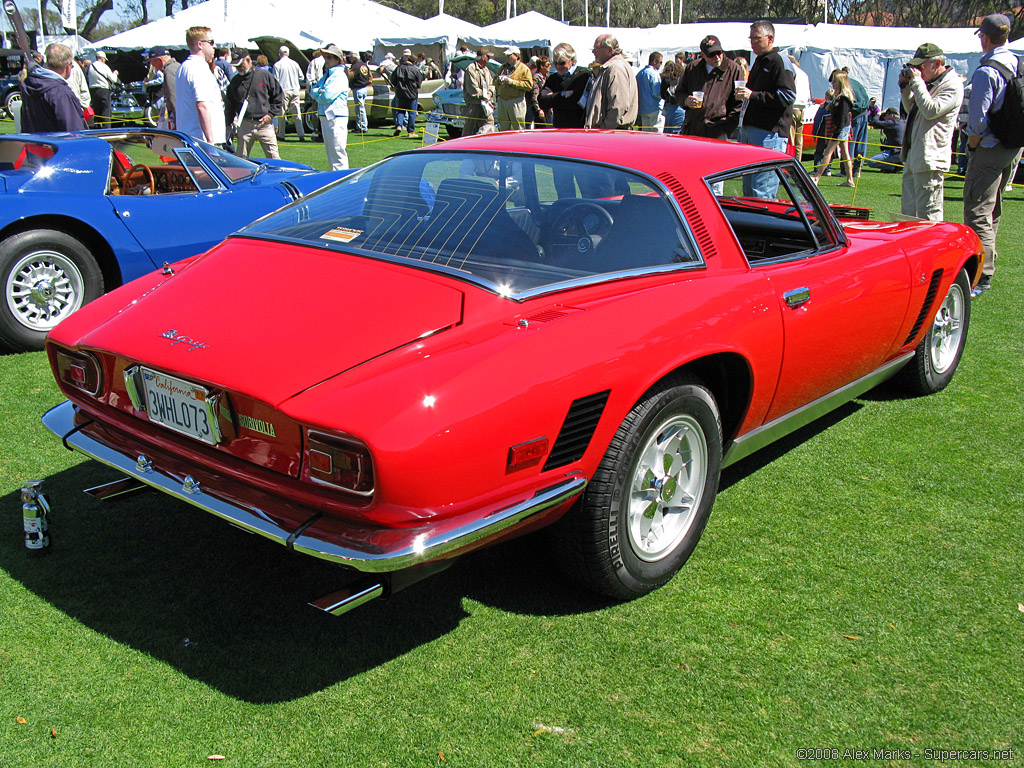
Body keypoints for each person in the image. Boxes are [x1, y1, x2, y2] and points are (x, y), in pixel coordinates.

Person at [963, 13, 1022, 294]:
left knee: (977, 209)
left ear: (984, 37)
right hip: (1011, 147)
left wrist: (972, 145)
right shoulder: (1016, 62)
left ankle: (982, 273)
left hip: (989, 147)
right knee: (992, 209)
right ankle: (989, 261)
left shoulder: (987, 71)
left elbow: (977, 121)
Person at [899, 42, 962, 221]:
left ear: (937, 63)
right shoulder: (931, 82)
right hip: (914, 154)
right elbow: (912, 107)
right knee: (908, 213)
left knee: (928, 215)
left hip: (930, 157)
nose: (918, 70)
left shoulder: (952, 85)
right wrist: (906, 87)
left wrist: (917, 82)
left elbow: (930, 110)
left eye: (921, 66)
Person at [736, 21, 796, 197]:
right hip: (752, 130)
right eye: (751, 38)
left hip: (770, 133)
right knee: (749, 191)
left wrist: (753, 95)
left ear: (770, 38)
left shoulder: (779, 61)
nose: (753, 42)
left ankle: (761, 224)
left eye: (757, 38)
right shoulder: (760, 60)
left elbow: (788, 96)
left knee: (762, 192)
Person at [678, 34, 743, 140]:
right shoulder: (693, 68)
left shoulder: (734, 69)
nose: (717, 57)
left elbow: (738, 103)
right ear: (703, 54)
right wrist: (686, 101)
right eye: (711, 54)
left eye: (719, 53)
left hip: (718, 132)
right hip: (692, 130)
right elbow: (679, 93)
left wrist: (726, 128)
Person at [224, 48, 283, 159]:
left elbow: (278, 96)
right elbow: (229, 105)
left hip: (265, 125)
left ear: (249, 60)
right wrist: (228, 125)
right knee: (241, 160)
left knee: (275, 158)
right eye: (236, 66)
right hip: (245, 124)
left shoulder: (264, 75)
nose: (238, 68)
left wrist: (270, 115)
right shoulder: (235, 81)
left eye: (240, 64)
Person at [20, 43, 87, 132]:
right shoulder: (61, 93)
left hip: (35, 143)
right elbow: (74, 133)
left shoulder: (29, 86)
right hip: (57, 144)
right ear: (68, 66)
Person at [176, 26, 226, 146]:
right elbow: (202, 105)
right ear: (200, 44)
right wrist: (210, 141)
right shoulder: (199, 68)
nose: (214, 46)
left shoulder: (184, 67)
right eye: (211, 42)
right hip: (203, 143)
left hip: (190, 139)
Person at [583, 34, 638, 130]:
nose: (593, 52)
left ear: (609, 50)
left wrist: (604, 129)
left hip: (612, 134)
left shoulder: (616, 68)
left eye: (597, 48)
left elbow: (618, 107)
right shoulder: (610, 67)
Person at [309, 44, 350, 170]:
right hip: (325, 115)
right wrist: (319, 92)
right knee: (331, 152)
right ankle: (336, 179)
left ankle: (343, 180)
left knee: (337, 150)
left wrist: (319, 93)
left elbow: (326, 95)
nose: (326, 60)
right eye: (325, 57)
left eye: (329, 57)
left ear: (338, 59)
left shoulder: (339, 75)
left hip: (336, 116)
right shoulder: (327, 75)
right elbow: (313, 91)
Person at [811, 71, 856, 187]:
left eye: (835, 81)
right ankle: (850, 179)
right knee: (845, 154)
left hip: (840, 129)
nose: (833, 83)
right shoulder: (839, 98)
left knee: (828, 152)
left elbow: (842, 117)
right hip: (843, 128)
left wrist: (837, 132)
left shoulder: (843, 99)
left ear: (841, 83)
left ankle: (817, 177)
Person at [538, 43, 590, 129]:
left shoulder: (584, 75)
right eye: (555, 63)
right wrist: (562, 94)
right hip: (559, 127)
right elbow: (542, 101)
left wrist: (553, 98)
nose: (558, 66)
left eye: (562, 63)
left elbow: (575, 103)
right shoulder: (553, 78)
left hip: (579, 127)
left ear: (572, 60)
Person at [841, 67, 871, 176]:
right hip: (864, 114)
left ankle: (846, 170)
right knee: (861, 143)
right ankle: (858, 170)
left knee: (850, 144)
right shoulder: (857, 83)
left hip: (854, 115)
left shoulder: (846, 85)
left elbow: (846, 102)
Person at [495, 46, 532, 131]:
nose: (507, 57)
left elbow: (529, 85)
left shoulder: (524, 69)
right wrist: (498, 80)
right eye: (506, 55)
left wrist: (512, 82)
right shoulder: (503, 67)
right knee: (503, 127)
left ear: (516, 56)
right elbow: (494, 82)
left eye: (509, 55)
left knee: (518, 127)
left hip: (516, 101)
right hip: (502, 100)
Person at [273, 45, 305, 142]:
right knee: (297, 113)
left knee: (282, 114)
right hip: (295, 90)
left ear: (279, 54)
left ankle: (281, 134)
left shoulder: (277, 65)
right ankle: (301, 134)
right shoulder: (295, 64)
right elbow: (301, 77)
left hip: (284, 90)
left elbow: (275, 80)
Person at [391, 51, 423, 137]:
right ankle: (411, 132)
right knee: (412, 113)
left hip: (400, 93)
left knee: (400, 111)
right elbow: (419, 84)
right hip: (412, 94)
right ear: (414, 62)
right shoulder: (416, 70)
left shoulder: (399, 68)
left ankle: (399, 126)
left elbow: (393, 80)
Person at [462, 49, 494, 136]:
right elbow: (473, 89)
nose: (489, 59)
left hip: (486, 104)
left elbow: (491, 84)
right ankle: (463, 147)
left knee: (490, 125)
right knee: (469, 128)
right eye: (488, 57)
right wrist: (484, 95)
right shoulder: (471, 69)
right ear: (483, 57)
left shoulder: (486, 70)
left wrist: (489, 94)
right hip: (474, 104)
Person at [864, 108, 906, 172]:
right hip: (905, 152)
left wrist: (878, 113)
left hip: (897, 153)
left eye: (885, 115)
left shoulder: (893, 123)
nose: (884, 117)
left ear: (892, 115)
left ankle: (894, 167)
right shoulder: (902, 122)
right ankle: (897, 164)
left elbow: (874, 123)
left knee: (871, 162)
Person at [148, 46, 179, 128]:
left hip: (178, 118)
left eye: (154, 65)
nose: (156, 68)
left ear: (159, 60)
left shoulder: (169, 70)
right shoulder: (178, 66)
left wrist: (177, 123)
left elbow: (173, 98)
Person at [86, 50, 117, 127]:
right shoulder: (104, 66)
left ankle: (97, 129)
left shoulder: (90, 67)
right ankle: (107, 129)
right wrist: (115, 73)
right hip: (103, 90)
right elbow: (113, 79)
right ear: (103, 59)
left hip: (93, 91)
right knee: (106, 112)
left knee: (97, 112)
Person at [636, 51, 664, 132]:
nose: (661, 65)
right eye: (660, 62)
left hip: (643, 108)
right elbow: (657, 93)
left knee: (646, 134)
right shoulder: (654, 74)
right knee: (656, 134)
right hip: (654, 108)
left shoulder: (640, 73)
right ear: (655, 61)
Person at [789, 55, 810, 159]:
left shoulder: (791, 72)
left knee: (791, 138)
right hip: (802, 107)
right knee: (799, 138)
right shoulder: (804, 74)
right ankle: (798, 160)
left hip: (793, 106)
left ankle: (791, 159)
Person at [348, 53, 372, 134]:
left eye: (350, 57)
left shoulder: (355, 66)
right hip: (364, 88)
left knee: (359, 109)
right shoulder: (364, 65)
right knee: (361, 108)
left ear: (354, 57)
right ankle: (361, 126)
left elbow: (350, 76)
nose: (349, 59)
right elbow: (370, 76)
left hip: (358, 88)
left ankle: (362, 127)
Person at [659, 60, 683, 133]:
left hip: (673, 109)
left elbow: (662, 94)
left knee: (670, 133)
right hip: (677, 108)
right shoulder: (682, 80)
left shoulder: (666, 80)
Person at [526, 56, 548, 128]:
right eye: (547, 65)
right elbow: (534, 95)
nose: (550, 66)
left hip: (546, 108)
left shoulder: (547, 76)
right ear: (541, 66)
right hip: (538, 108)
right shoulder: (536, 77)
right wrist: (538, 110)